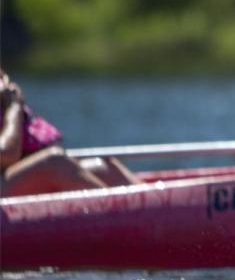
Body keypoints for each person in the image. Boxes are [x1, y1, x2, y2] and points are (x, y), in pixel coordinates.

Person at [1, 70, 139, 197]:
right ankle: (119, 210)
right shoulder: (12, 107)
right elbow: (6, 155)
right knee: (55, 162)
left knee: (103, 168)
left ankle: (147, 208)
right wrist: (14, 107)